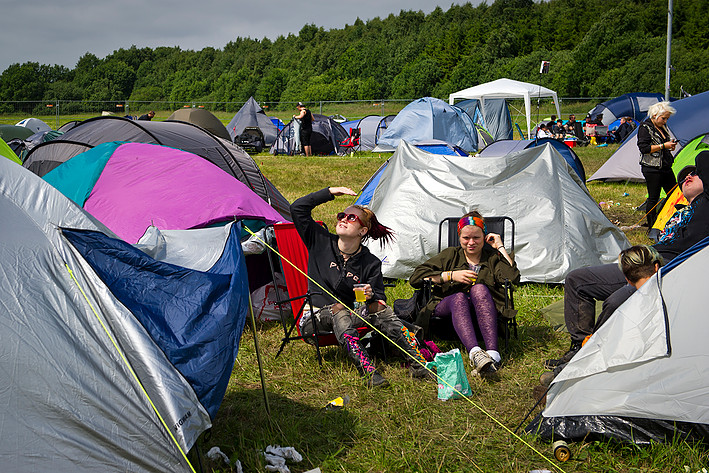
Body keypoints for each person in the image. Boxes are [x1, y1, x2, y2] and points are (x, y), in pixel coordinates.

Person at [545, 153, 709, 369]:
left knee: (615, 301)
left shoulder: (706, 205)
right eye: (684, 178)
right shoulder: (680, 211)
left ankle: (589, 358)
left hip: (671, 269)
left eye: (695, 174)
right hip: (644, 262)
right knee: (577, 280)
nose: (688, 176)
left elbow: (705, 157)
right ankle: (579, 346)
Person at [290, 186, 432, 388]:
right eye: (342, 215)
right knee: (339, 309)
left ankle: (418, 364)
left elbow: (378, 299)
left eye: (351, 218)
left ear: (363, 231)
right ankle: (367, 370)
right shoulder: (320, 241)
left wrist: (370, 295)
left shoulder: (370, 262)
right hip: (313, 318)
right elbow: (297, 209)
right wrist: (329, 192)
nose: (343, 219)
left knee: (380, 309)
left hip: (349, 316)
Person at [409, 212, 521, 376]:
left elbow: (512, 278)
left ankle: (493, 355)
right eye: (466, 238)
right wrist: (449, 275)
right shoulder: (450, 255)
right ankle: (476, 354)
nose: (471, 242)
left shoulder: (492, 258)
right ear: (459, 237)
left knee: (479, 289)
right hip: (448, 305)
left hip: (485, 310)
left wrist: (500, 247)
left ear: (484, 237)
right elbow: (416, 277)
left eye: (476, 237)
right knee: (459, 298)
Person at [538, 245, 663, 387]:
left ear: (627, 280)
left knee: (614, 304)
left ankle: (582, 361)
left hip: (673, 260)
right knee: (576, 279)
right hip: (652, 256)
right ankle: (581, 348)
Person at [637, 101, 678, 227]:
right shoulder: (645, 128)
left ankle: (669, 219)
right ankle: (652, 225)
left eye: (667, 118)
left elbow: (662, 145)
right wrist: (663, 146)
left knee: (674, 194)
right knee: (653, 197)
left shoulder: (662, 127)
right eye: (663, 118)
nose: (665, 121)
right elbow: (644, 148)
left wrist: (669, 146)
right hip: (652, 168)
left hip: (665, 166)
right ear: (655, 115)